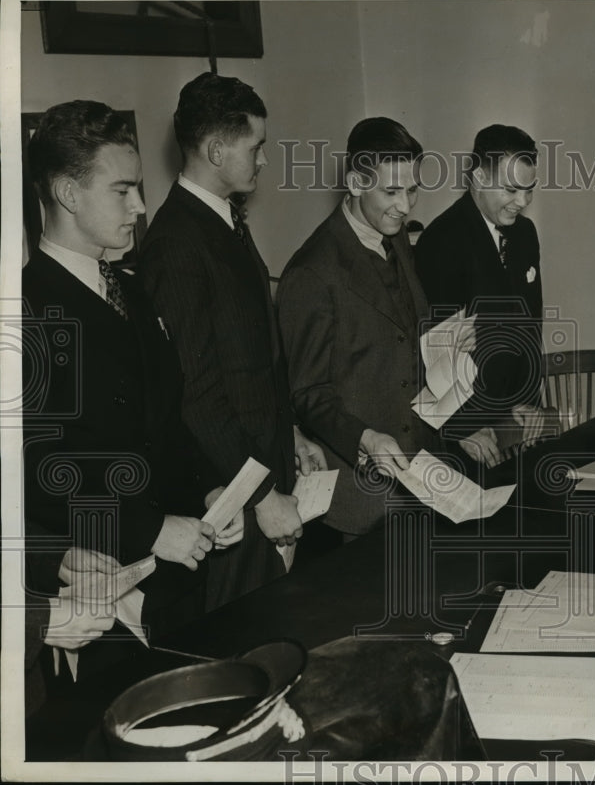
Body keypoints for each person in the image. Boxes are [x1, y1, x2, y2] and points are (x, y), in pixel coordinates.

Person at [21, 100, 234, 667]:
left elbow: (167, 417)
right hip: (96, 598)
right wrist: (149, 528)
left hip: (178, 575)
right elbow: (34, 470)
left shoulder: (132, 290)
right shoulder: (24, 310)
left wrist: (210, 488)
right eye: (122, 191)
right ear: (68, 194)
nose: (140, 207)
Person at [140, 73, 326, 609]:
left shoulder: (222, 220)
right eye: (257, 147)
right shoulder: (176, 243)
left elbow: (252, 359)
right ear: (217, 150)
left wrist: (290, 431)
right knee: (246, 637)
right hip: (231, 495)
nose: (263, 160)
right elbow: (196, 393)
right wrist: (263, 496)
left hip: (263, 467)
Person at [277, 117, 437, 536]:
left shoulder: (396, 237)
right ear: (355, 183)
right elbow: (308, 394)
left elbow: (399, 335)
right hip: (360, 498)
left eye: (412, 190)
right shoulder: (311, 272)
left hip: (417, 477)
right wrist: (366, 438)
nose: (406, 206)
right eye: (391, 191)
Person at [416, 125, 549, 466]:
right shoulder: (441, 240)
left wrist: (528, 400)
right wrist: (461, 429)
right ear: (477, 177)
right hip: (464, 433)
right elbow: (430, 350)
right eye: (511, 189)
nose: (522, 202)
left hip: (513, 417)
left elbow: (531, 323)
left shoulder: (525, 234)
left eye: (529, 190)